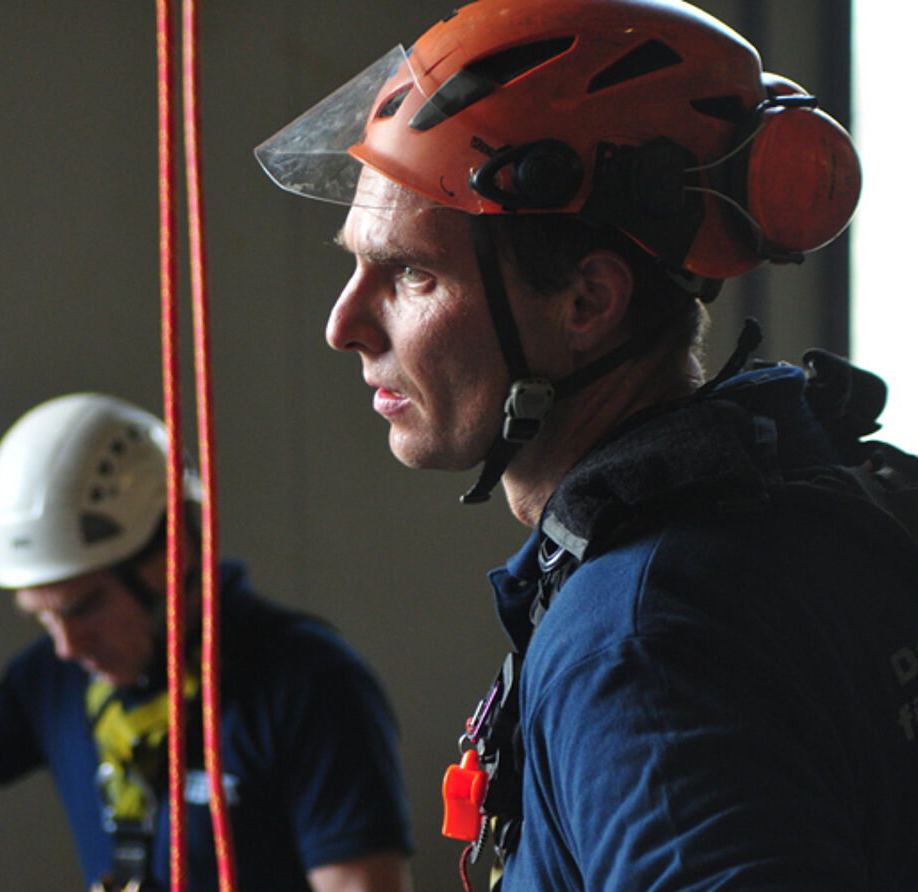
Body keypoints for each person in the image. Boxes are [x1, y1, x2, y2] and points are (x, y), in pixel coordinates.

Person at [257, 0, 918, 888]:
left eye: (411, 272)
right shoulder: (825, 497)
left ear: (587, 303)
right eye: (354, 262)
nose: (344, 325)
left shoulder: (640, 646)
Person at [0, 392, 414, 892]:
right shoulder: (60, 678)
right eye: (42, 617)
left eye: (85, 606)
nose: (67, 644)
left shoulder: (306, 685)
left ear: (175, 551)